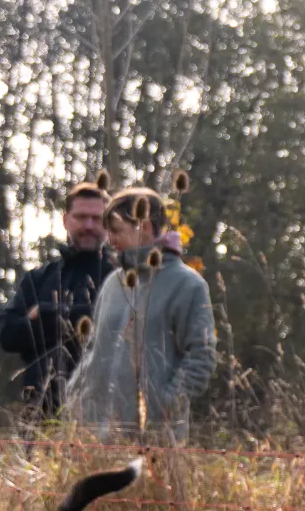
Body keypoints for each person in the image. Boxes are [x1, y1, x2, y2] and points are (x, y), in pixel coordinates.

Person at [65, 186, 216, 444]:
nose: (110, 240)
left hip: (154, 443)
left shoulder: (188, 285)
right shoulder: (113, 282)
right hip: (94, 440)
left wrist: (164, 404)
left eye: (116, 230)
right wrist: (75, 396)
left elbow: (201, 358)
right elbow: (92, 349)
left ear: (144, 225)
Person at [0, 181, 111, 417]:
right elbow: (7, 333)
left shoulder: (120, 276)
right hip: (41, 410)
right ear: (65, 220)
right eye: (81, 217)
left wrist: (44, 313)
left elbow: (113, 326)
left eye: (96, 218)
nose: (89, 226)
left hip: (103, 411)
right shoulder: (39, 278)